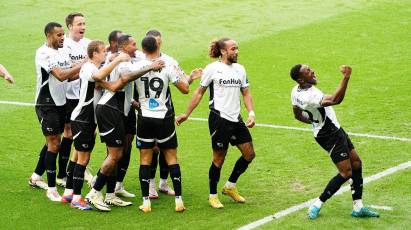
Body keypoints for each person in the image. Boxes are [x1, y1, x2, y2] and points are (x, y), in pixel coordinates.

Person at [85, 35, 164, 211]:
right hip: (109, 110)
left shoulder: (122, 58)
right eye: (133, 44)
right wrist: (151, 66)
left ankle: (111, 195)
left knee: (117, 154)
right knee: (114, 155)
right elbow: (127, 76)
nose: (136, 47)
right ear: (124, 46)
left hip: (117, 110)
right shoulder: (122, 60)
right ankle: (94, 192)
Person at [289, 64, 380, 219]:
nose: (313, 72)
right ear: (301, 79)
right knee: (346, 172)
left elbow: (297, 114)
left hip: (334, 129)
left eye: (311, 69)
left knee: (356, 163)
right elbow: (335, 100)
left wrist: (314, 122)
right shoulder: (310, 96)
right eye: (308, 72)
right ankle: (317, 203)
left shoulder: (295, 91)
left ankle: (358, 207)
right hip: (329, 134)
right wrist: (346, 77)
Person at [176, 38, 256, 209]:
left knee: (249, 154)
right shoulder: (213, 69)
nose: (236, 52)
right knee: (219, 158)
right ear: (223, 51)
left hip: (236, 118)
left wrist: (251, 112)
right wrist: (186, 114)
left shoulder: (240, 69)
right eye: (233, 49)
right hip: (219, 119)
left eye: (237, 48)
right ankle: (212, 196)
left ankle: (230, 186)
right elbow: (199, 93)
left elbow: (246, 93)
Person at [134, 36, 202, 213]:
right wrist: (189, 79)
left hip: (144, 117)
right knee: (171, 157)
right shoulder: (168, 65)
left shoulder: (137, 66)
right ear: (158, 45)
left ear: (142, 49)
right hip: (163, 117)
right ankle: (178, 200)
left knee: (145, 159)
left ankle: (146, 202)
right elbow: (185, 89)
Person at [30, 22, 82, 201]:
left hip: (61, 103)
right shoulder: (43, 53)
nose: (62, 38)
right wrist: (84, 63)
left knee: (54, 141)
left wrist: (88, 68)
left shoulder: (63, 51)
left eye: (63, 35)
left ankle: (36, 176)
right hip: (46, 104)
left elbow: (71, 75)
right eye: (59, 35)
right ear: (49, 36)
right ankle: (51, 189)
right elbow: (60, 74)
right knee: (54, 144)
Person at [57, 12, 92, 187]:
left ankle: (80, 167)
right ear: (70, 26)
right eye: (79, 24)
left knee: (86, 133)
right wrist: (85, 64)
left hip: (84, 96)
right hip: (68, 96)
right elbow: (69, 75)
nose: (83, 27)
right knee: (68, 134)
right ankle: (62, 173)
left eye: (84, 23)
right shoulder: (65, 46)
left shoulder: (88, 44)